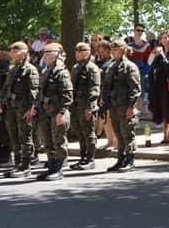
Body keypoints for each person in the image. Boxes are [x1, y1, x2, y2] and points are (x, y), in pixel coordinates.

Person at [0, 43, 39, 178]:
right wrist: (1, 103)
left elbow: (34, 92)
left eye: (16, 50)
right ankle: (17, 163)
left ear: (24, 52)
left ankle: (26, 165)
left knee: (25, 136)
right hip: (11, 107)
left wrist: (31, 108)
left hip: (23, 108)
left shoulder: (30, 70)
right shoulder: (13, 69)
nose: (12, 53)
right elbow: (6, 88)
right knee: (13, 137)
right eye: (11, 51)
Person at [34, 43, 73, 181]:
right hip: (46, 111)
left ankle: (59, 169)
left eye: (49, 51)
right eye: (44, 51)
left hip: (57, 111)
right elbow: (40, 92)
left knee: (59, 141)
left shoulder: (61, 72)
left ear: (57, 53)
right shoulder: (46, 71)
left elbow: (67, 95)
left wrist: (62, 112)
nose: (45, 54)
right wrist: (36, 107)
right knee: (48, 141)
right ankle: (51, 167)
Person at [102, 40, 142, 173]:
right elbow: (107, 86)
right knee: (118, 135)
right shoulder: (111, 66)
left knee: (127, 134)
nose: (114, 52)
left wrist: (131, 107)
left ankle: (130, 160)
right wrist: (104, 103)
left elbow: (135, 89)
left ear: (123, 50)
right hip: (114, 107)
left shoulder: (130, 66)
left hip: (125, 106)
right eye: (112, 50)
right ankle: (121, 159)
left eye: (117, 49)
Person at [69, 42, 102, 170]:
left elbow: (94, 90)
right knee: (80, 132)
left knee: (88, 133)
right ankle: (83, 157)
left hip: (86, 105)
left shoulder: (92, 68)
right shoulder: (76, 67)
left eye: (81, 51)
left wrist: (90, 107)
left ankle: (90, 159)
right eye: (77, 51)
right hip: (76, 105)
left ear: (88, 52)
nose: (78, 54)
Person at [126, 24, 153, 116]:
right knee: (129, 90)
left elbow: (148, 60)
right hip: (130, 70)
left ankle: (141, 111)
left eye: (142, 30)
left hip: (141, 71)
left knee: (141, 90)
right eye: (138, 30)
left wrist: (146, 71)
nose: (140, 32)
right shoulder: (128, 45)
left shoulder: (147, 45)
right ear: (134, 31)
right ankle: (130, 111)